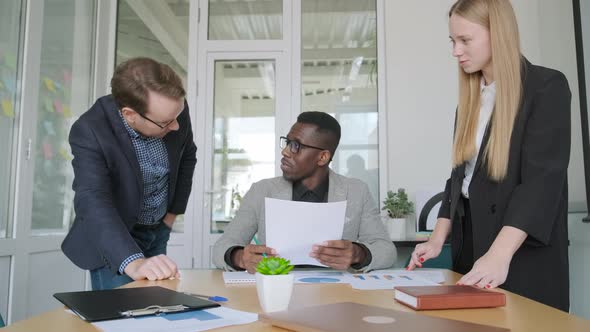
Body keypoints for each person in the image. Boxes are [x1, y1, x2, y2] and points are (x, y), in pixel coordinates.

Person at [408, 0, 571, 312]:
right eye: (453, 41)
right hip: (471, 244)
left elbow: (542, 182)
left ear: (498, 34)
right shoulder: (469, 102)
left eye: (465, 40)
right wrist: (437, 239)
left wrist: (499, 254)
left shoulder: (546, 86)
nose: (456, 51)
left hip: (519, 249)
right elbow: (459, 178)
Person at [62, 57, 197, 290]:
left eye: (178, 116)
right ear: (130, 114)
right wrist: (133, 262)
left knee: (156, 307)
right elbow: (92, 198)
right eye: (166, 123)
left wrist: (173, 214)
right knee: (122, 317)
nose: (176, 126)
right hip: (115, 236)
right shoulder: (90, 130)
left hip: (158, 228)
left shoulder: (173, 111)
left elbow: (188, 157)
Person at [213, 112, 396, 273]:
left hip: (337, 294)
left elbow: (387, 251)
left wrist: (358, 254)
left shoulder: (357, 191)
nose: (285, 151)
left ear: (322, 157)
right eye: (287, 143)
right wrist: (239, 258)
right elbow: (221, 248)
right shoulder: (262, 191)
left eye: (296, 146)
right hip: (277, 292)